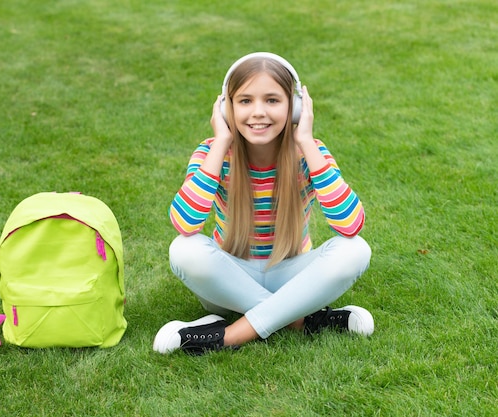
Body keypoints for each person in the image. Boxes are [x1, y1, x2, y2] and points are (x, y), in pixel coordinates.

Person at [153, 52, 373, 356]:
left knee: (356, 249)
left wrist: (306, 141)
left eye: (272, 100)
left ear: (294, 107)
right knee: (182, 248)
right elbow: (185, 223)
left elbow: (350, 225)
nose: (258, 112)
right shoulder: (212, 152)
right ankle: (301, 320)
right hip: (229, 280)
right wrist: (220, 142)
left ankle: (226, 335)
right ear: (226, 108)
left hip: (291, 273)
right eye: (245, 101)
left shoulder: (311, 153)